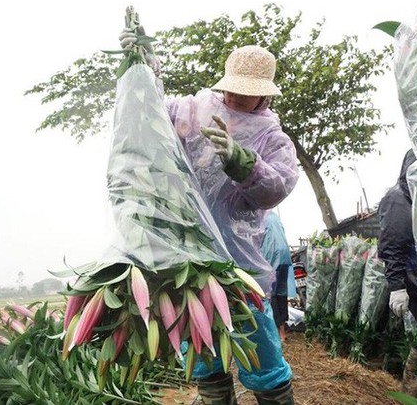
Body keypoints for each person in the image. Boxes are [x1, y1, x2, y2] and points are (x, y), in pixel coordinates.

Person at [120, 30, 300, 405]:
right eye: (231, 88)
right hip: (189, 256)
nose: (234, 96)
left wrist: (242, 163)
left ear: (264, 94)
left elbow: (279, 184)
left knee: (261, 352)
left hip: (239, 263)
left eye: (246, 92)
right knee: (205, 357)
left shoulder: (272, 137)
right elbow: (150, 112)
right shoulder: (193, 109)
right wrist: (142, 65)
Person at [377, 149, 417, 397]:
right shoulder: (399, 199)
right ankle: (413, 390)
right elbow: (392, 246)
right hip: (412, 276)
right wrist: (397, 287)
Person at [261, 210, 292, 342]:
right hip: (285, 256)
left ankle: (279, 332)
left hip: (272, 256)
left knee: (271, 293)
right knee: (281, 292)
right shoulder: (274, 216)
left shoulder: (260, 217)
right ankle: (283, 328)